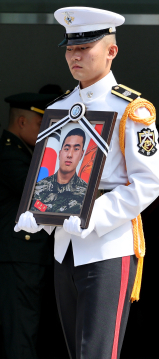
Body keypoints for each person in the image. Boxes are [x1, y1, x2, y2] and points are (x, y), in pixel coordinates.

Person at [14, 7, 159, 359]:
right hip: (64, 244)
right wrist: (37, 210)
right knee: (76, 349)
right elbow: (51, 170)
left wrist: (91, 215)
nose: (75, 55)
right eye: (70, 48)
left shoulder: (132, 109)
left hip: (107, 244)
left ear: (111, 51)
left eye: (86, 47)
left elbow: (149, 181)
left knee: (97, 352)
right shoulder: (61, 106)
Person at [0, 92, 57, 359]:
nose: (45, 131)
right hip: (19, 257)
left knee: (27, 329)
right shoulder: (10, 154)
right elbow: (40, 196)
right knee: (22, 331)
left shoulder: (23, 152)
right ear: (22, 122)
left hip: (26, 257)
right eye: (40, 124)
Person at [30, 128, 88, 214]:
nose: (69, 155)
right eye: (66, 148)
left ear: (81, 155)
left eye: (76, 149)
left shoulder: (86, 192)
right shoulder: (38, 185)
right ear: (60, 153)